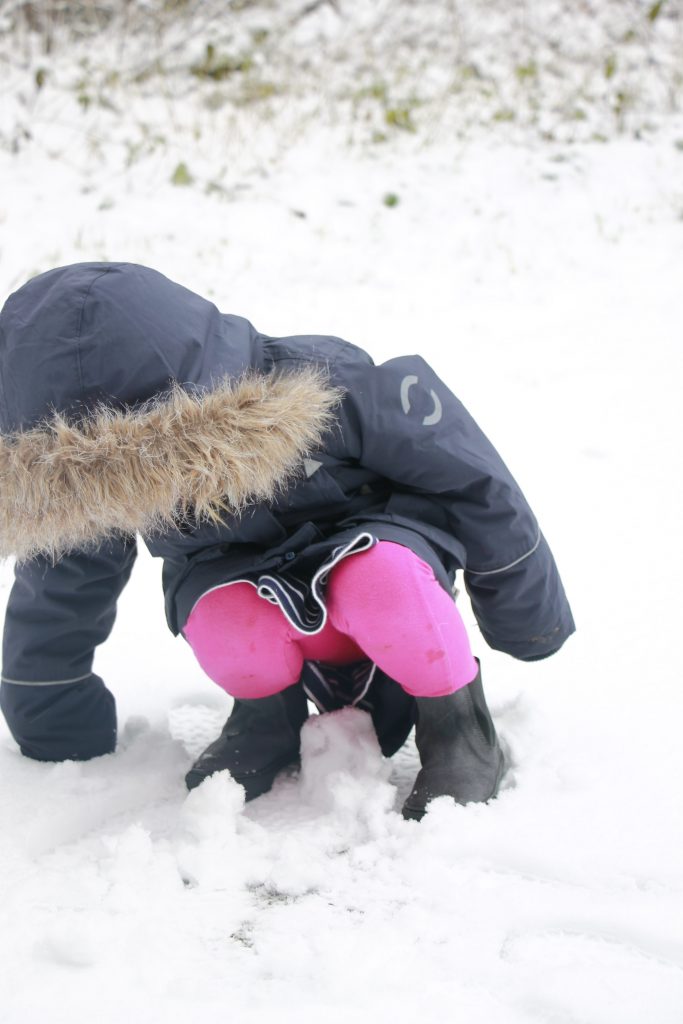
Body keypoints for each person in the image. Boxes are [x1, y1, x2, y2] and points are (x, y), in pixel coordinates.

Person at [0, 263, 574, 820]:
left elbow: (470, 477)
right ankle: (264, 720)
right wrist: (50, 704)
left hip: (380, 573)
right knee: (224, 618)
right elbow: (65, 573)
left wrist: (525, 617)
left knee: (383, 582)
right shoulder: (102, 474)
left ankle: (458, 728)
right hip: (247, 594)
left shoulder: (324, 383)